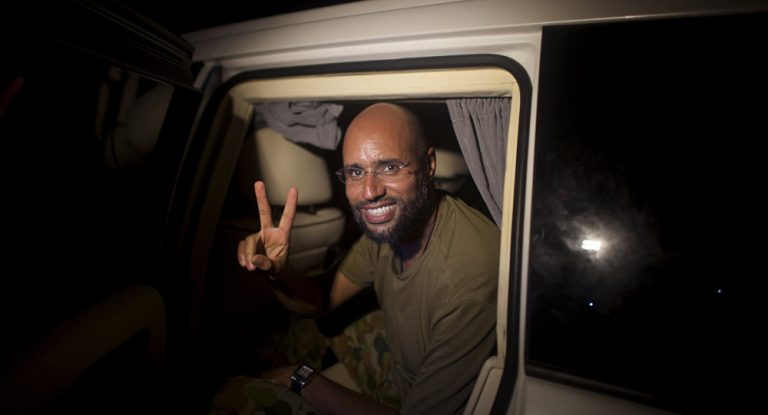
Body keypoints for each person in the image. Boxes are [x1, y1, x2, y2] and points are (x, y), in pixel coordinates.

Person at [212, 103, 500, 415]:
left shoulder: (469, 279)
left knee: (237, 398)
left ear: (429, 164)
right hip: (400, 372)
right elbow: (321, 302)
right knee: (307, 331)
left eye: (389, 167)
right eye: (356, 172)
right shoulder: (391, 229)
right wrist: (279, 272)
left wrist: (302, 379)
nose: (370, 192)